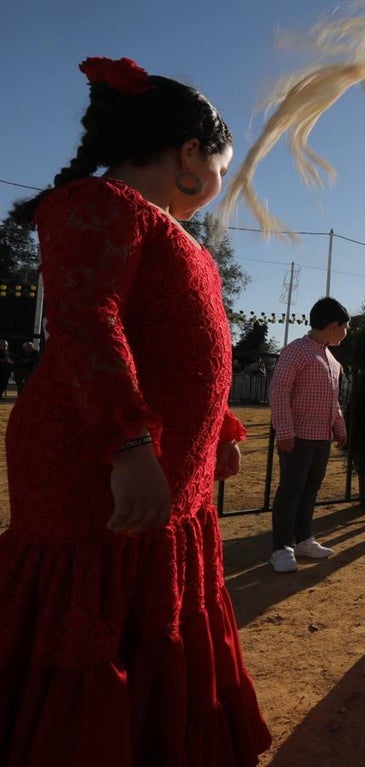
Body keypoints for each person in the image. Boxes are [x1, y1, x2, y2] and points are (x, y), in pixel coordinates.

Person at [0, 57, 271, 764]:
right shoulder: (99, 204)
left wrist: (218, 431)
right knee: (97, 618)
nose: (219, 183)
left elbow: (179, 348)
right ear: (190, 154)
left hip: (162, 472)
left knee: (154, 612)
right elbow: (88, 321)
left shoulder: (168, 229)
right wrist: (128, 446)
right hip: (95, 466)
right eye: (221, 167)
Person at [268, 297, 350, 573]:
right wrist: (284, 430)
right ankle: (281, 547)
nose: (345, 333)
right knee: (291, 489)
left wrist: (339, 427)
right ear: (333, 325)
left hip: (320, 437)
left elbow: (332, 399)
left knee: (310, 489)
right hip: (298, 436)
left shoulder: (332, 360)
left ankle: (303, 539)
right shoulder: (296, 351)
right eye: (345, 327)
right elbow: (279, 390)